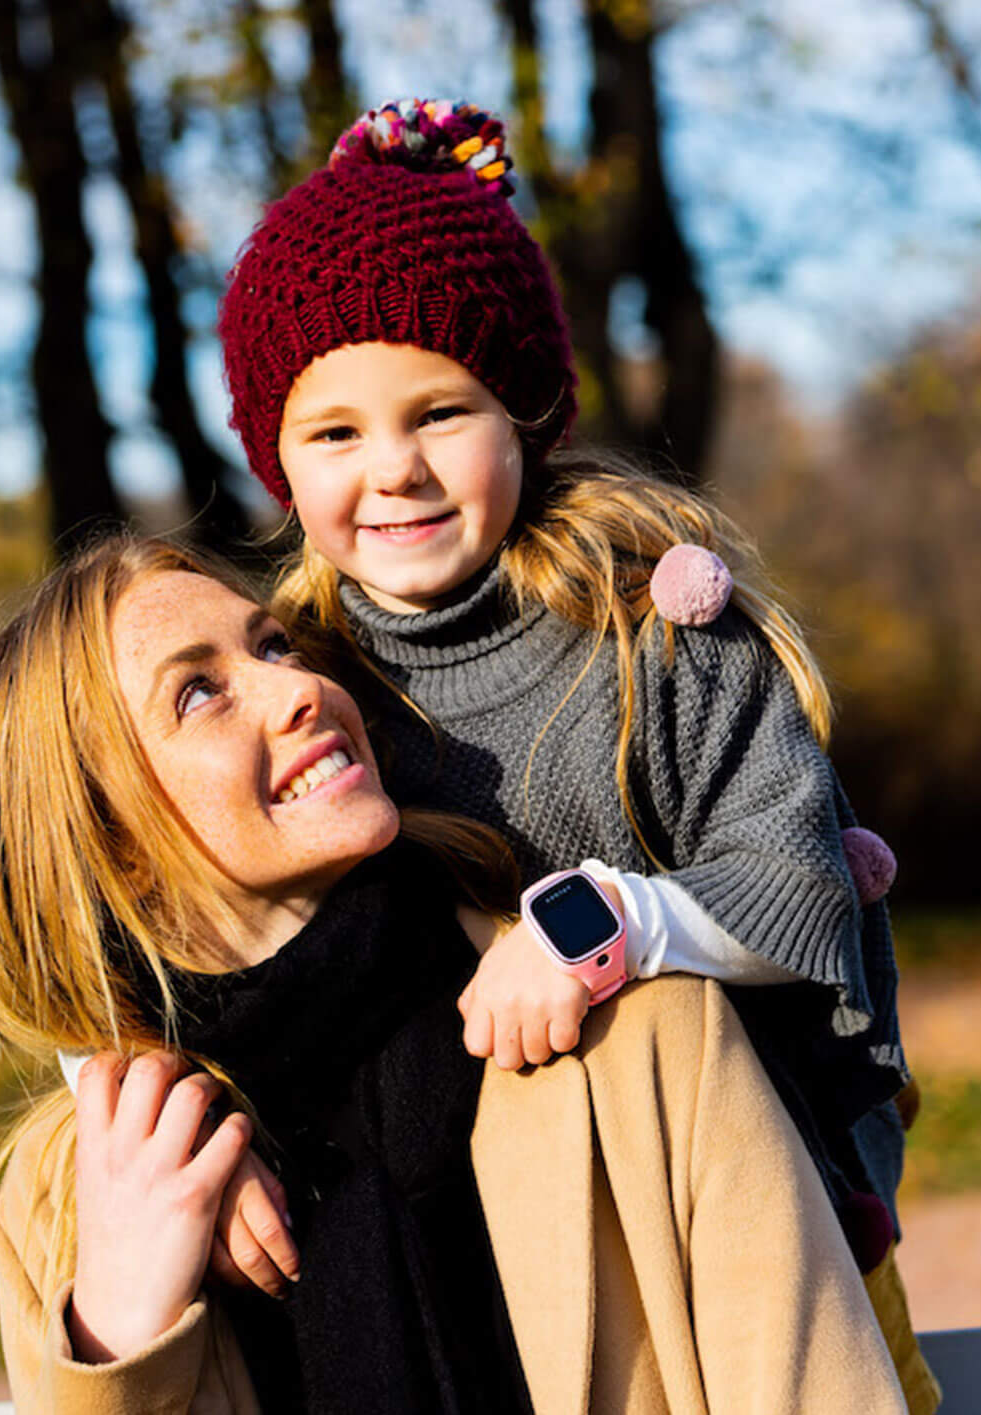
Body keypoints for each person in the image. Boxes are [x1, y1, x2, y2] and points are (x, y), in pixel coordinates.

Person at [214, 99, 935, 1410]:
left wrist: (613, 923)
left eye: (440, 410)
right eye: (334, 431)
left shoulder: (652, 629)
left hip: (740, 1218)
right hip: (490, 1247)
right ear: (275, 454)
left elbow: (792, 886)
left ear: (529, 406)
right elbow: (187, 906)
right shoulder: (303, 682)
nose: (395, 471)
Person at [0, 535, 908, 1414]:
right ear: (111, 845)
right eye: (198, 691)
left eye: (271, 645)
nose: (297, 686)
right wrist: (121, 1331)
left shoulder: (642, 1035)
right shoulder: (78, 1195)